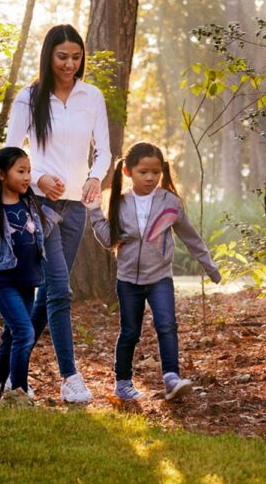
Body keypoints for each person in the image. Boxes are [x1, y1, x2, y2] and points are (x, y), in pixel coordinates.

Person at [5, 24, 110, 403]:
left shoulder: (91, 96)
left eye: (76, 57)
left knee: (48, 291)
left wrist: (95, 178)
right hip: (41, 207)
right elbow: (11, 153)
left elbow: (104, 152)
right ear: (49, 55)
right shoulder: (29, 98)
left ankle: (9, 375)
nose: (70, 64)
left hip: (76, 209)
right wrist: (38, 180)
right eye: (62, 56)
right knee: (61, 290)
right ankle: (70, 377)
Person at [87, 142, 222, 402]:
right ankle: (123, 383)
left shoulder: (170, 203)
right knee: (129, 331)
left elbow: (190, 237)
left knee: (167, 325)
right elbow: (107, 239)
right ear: (127, 172)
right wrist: (94, 212)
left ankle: (171, 378)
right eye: (143, 172)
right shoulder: (120, 201)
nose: (150, 177)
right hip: (128, 280)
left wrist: (210, 266)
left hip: (160, 277)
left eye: (155, 172)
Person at [0, 147, 60, 403]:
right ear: (1, 174)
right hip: (3, 282)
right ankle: (19, 391)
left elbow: (41, 228)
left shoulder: (30, 204)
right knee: (24, 332)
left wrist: (61, 211)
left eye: (29, 171)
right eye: (20, 171)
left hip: (28, 281)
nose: (27, 177)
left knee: (11, 336)